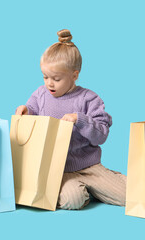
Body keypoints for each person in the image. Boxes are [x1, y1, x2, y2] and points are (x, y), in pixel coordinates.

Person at [15, 29, 126, 210]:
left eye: (56, 79)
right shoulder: (40, 94)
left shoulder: (89, 98)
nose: (49, 83)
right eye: (45, 77)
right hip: (58, 169)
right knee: (72, 200)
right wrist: (25, 110)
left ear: (74, 75)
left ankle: (106, 181)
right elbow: (33, 111)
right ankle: (86, 192)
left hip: (90, 166)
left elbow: (102, 135)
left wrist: (80, 119)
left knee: (128, 196)